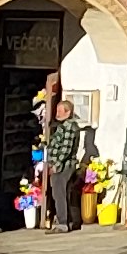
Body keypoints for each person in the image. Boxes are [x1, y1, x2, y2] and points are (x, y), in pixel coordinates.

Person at [40, 80, 88, 232]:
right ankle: (73, 222)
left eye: (60, 111)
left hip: (63, 167)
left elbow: (66, 149)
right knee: (65, 193)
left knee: (59, 193)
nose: (57, 114)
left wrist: (56, 165)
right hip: (64, 165)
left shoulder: (68, 127)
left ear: (67, 112)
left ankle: (62, 223)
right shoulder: (66, 126)